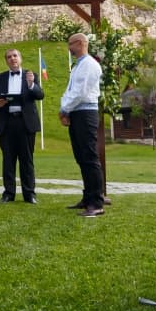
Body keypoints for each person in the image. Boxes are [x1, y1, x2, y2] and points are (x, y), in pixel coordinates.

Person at [0, 48, 44, 204]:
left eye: (15, 56)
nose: (12, 59)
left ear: (20, 58)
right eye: (9, 57)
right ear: (6, 61)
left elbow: (40, 95)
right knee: (8, 159)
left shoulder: (30, 76)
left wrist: (32, 84)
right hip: (7, 122)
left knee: (27, 159)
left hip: (25, 123)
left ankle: (29, 194)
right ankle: (8, 193)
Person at [59, 32, 105, 218]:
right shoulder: (78, 66)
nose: (69, 48)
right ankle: (87, 197)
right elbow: (70, 90)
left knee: (89, 156)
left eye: (70, 44)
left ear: (79, 43)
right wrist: (65, 108)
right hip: (77, 112)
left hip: (86, 112)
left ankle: (96, 202)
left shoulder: (90, 65)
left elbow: (81, 92)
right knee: (81, 156)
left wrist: (64, 109)